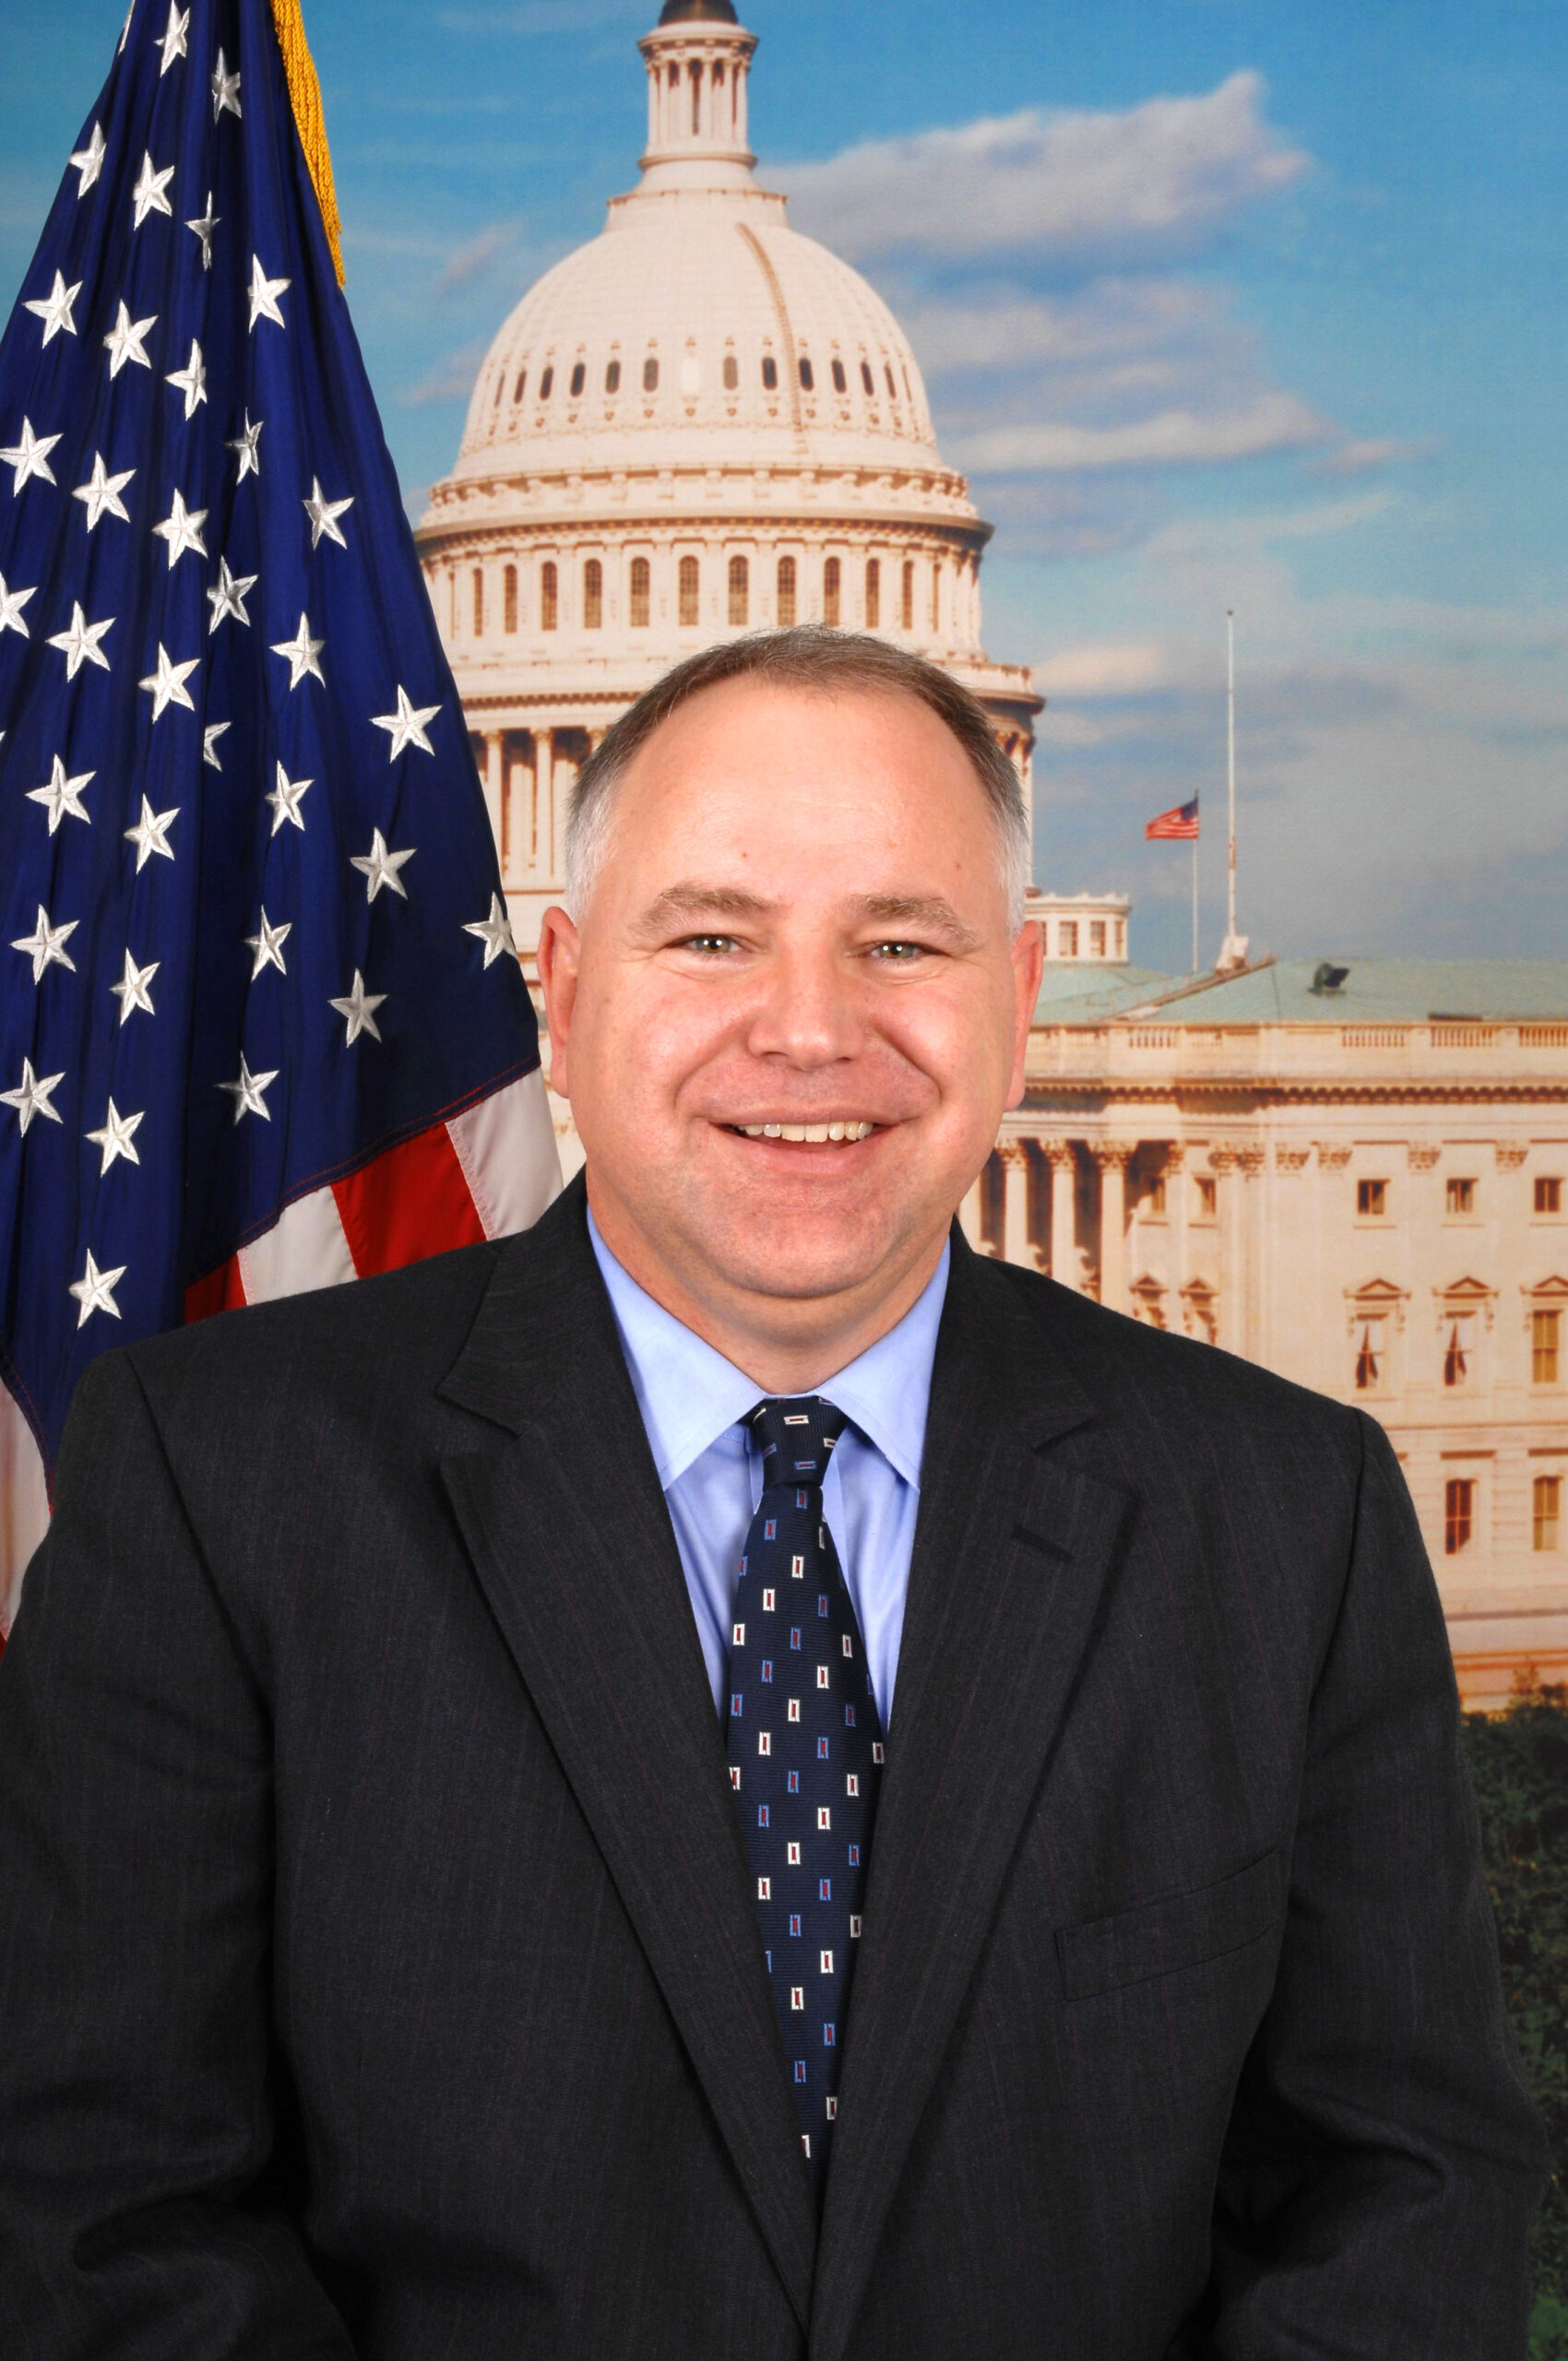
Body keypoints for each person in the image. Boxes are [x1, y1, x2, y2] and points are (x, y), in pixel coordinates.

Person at [0, 627, 1546, 2358]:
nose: (810, 1033)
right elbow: (106, 2214)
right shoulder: (222, 1481)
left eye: (899, 942)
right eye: (715, 937)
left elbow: (1408, 2200)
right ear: (567, 998)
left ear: (1023, 1001)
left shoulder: (1282, 1516)